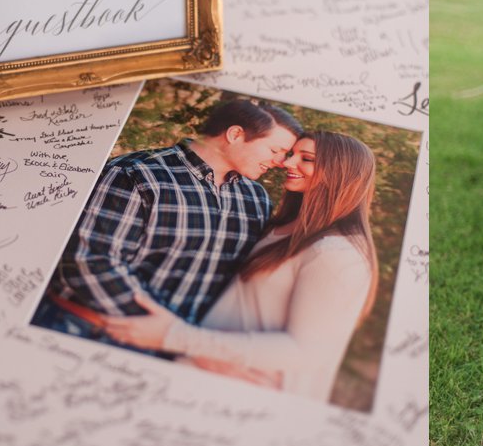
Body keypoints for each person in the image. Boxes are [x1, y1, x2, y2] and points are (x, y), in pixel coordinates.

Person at [102, 131, 379, 402]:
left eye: (306, 158)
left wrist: (176, 337)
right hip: (198, 375)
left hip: (242, 397)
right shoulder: (282, 226)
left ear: (341, 172)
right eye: (292, 154)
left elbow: (303, 351)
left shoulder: (336, 253)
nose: (287, 163)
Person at [33, 98, 302, 343]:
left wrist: (180, 339)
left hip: (176, 349)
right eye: (276, 149)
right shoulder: (138, 174)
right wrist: (167, 330)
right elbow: (89, 260)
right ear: (235, 134)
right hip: (84, 331)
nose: (280, 162)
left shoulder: (256, 199)